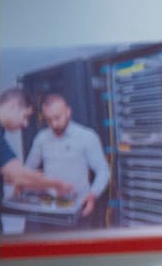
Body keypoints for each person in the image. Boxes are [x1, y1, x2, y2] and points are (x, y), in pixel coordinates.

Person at [0, 88, 74, 233]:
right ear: (13, 105)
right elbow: (17, 175)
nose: (25, 124)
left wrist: (32, 179)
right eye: (25, 116)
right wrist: (56, 184)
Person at [22, 90, 109, 223]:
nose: (54, 124)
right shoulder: (41, 138)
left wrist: (93, 195)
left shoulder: (87, 137)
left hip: (79, 207)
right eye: (48, 120)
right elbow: (28, 170)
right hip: (49, 207)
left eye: (57, 118)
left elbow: (103, 171)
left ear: (68, 112)